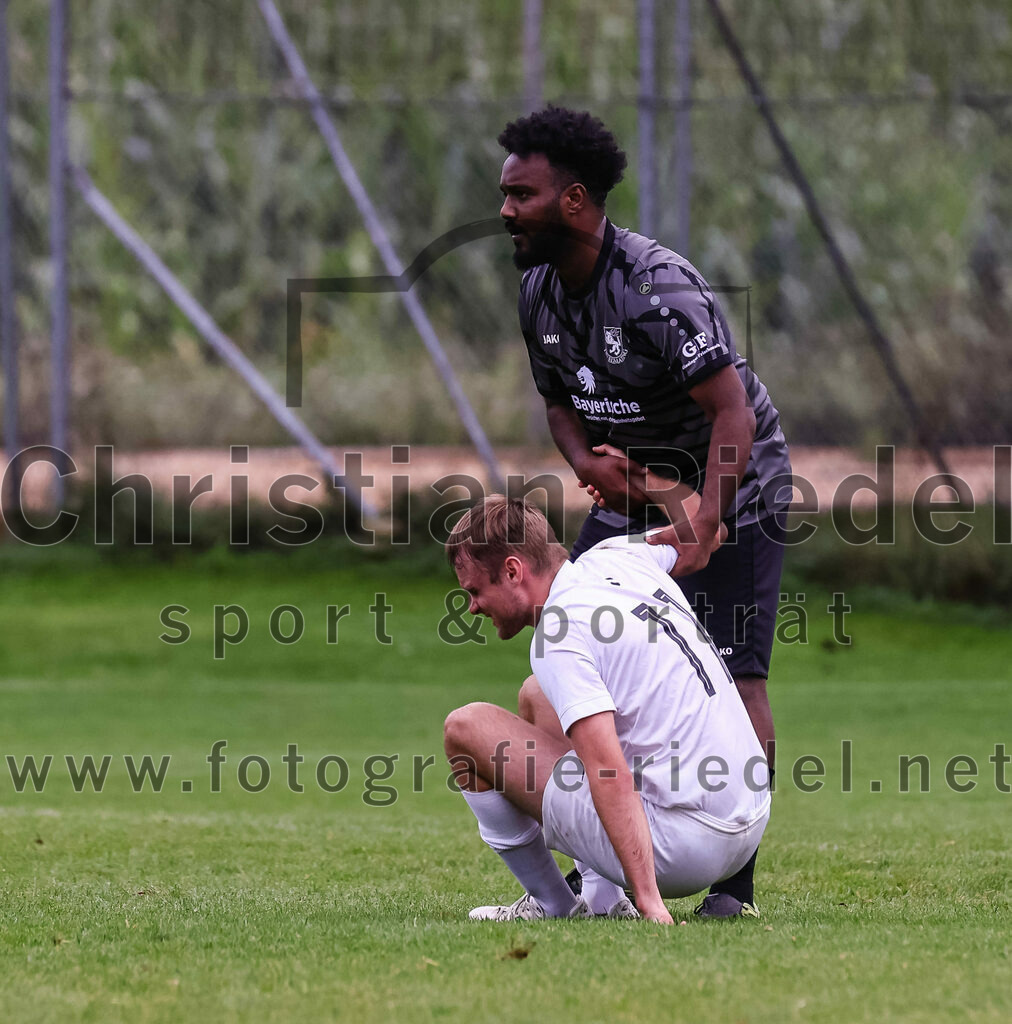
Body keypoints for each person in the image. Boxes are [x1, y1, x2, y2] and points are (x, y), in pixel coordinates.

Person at [496, 106, 792, 917]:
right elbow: (557, 402)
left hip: (736, 486)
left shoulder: (659, 288)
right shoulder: (538, 292)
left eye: (521, 195)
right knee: (573, 654)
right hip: (632, 492)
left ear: (575, 200)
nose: (506, 210)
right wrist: (587, 463)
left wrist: (707, 519)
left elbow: (732, 413)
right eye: (505, 194)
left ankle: (734, 886)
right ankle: (597, 882)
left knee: (737, 674)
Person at [443, 496, 770, 923]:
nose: (472, 607)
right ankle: (602, 899)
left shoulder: (559, 631)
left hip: (685, 850)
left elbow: (607, 769)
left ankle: (554, 903)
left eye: (474, 591)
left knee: (465, 728)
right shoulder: (618, 554)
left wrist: (650, 900)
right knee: (537, 694)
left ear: (512, 571)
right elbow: (710, 532)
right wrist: (653, 482)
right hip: (749, 819)